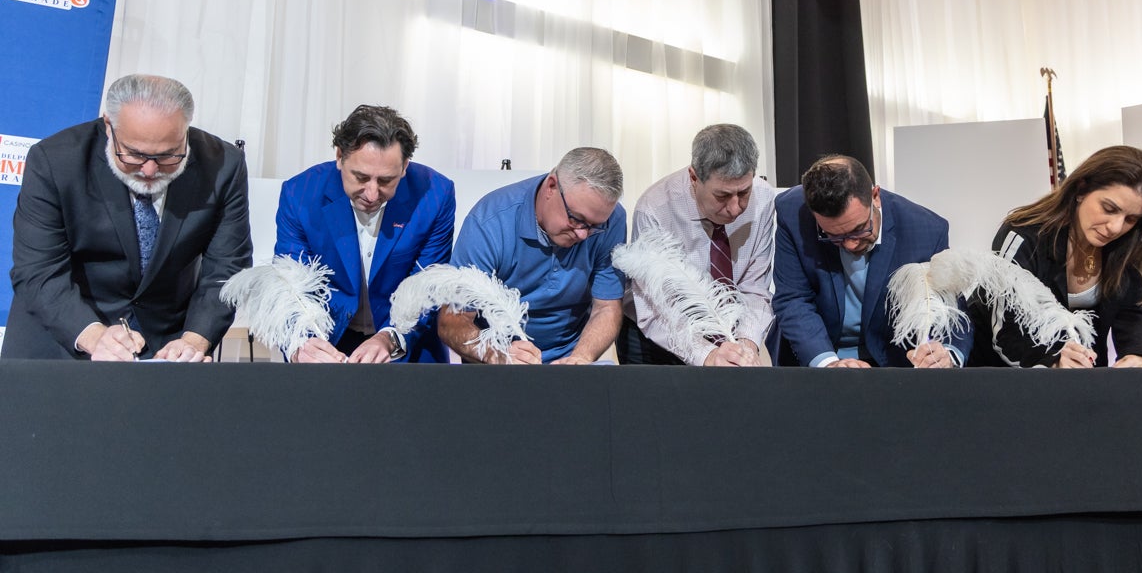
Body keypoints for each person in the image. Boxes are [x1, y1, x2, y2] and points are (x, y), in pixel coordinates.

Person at [3, 74, 252, 361]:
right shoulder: (55, 161)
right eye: (134, 155)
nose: (149, 170)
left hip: (166, 348)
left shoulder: (223, 166)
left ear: (185, 129)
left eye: (168, 156)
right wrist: (94, 337)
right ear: (109, 126)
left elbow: (227, 268)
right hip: (63, 340)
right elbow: (38, 270)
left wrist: (194, 340)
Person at [274, 105, 455, 363]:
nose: (371, 194)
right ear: (339, 156)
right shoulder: (299, 194)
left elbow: (428, 287)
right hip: (328, 339)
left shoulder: (435, 195)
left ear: (405, 166)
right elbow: (291, 283)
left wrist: (390, 338)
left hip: (408, 346)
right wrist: (301, 343)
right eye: (360, 177)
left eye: (386, 181)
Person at [969, 145, 1142, 368]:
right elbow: (1005, 329)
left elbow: (1133, 312)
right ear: (1081, 190)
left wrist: (1138, 355)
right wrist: (1052, 360)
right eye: (1109, 208)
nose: (1115, 227)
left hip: (1081, 375)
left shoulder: (1127, 245)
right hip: (999, 375)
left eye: (1131, 219)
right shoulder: (1022, 235)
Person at [769, 154, 972, 368]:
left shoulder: (926, 231)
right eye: (833, 236)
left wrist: (947, 354)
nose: (850, 245)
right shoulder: (792, 212)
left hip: (890, 361)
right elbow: (793, 298)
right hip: (814, 355)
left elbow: (950, 309)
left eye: (859, 230)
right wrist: (828, 364)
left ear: (875, 196)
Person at [439, 147, 626, 364]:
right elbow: (452, 321)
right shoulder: (490, 221)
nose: (583, 234)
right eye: (576, 219)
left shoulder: (612, 220)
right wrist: (496, 354)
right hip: (497, 359)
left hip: (570, 356)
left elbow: (607, 307)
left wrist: (581, 357)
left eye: (595, 226)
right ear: (551, 186)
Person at [618, 124, 774, 366]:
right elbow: (656, 307)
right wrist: (707, 355)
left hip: (729, 327)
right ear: (694, 177)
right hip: (658, 337)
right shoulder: (655, 208)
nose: (735, 208)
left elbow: (755, 286)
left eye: (744, 193)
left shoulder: (763, 198)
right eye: (722, 196)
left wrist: (745, 345)